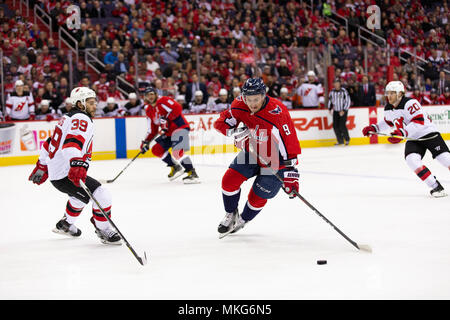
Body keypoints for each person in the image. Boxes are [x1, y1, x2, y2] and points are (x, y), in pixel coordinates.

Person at [28, 87, 122, 244]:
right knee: (101, 194)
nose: (95, 106)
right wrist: (77, 165)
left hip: (58, 174)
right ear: (80, 104)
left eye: (95, 102)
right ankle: (104, 230)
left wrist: (42, 165)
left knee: (79, 197)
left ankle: (66, 224)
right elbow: (71, 144)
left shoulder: (67, 117)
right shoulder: (81, 118)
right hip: (66, 174)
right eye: (91, 103)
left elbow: (49, 142)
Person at [213, 78, 301, 236]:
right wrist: (234, 131)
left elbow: (290, 141)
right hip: (253, 151)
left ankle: (243, 219)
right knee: (229, 181)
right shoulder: (239, 105)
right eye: (249, 99)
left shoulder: (278, 112)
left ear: (263, 95)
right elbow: (222, 122)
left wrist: (290, 173)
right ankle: (231, 214)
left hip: (276, 160)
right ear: (243, 97)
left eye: (256, 99)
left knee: (257, 195)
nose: (252, 104)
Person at [362, 81, 449, 198]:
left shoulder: (410, 103)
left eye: (392, 93)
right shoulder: (388, 108)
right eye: (388, 93)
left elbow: (419, 122)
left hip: (428, 133)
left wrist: (402, 132)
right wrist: (374, 128)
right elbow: (388, 122)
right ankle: (435, 186)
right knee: (411, 160)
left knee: (445, 159)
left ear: (400, 94)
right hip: (413, 137)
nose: (389, 96)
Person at [140, 87, 200, 183]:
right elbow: (152, 129)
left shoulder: (163, 100)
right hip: (168, 133)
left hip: (180, 127)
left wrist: (167, 118)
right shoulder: (149, 110)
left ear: (155, 94)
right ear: (145, 97)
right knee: (156, 149)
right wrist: (145, 142)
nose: (150, 97)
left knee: (177, 151)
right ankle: (175, 167)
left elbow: (177, 108)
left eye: (152, 94)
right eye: (148, 95)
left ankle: (192, 173)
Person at [328, 79, 351, 145]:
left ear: (340, 84)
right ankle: (340, 140)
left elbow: (348, 101)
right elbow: (330, 100)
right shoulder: (332, 92)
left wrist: (344, 110)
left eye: (337, 83)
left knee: (342, 125)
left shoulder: (344, 91)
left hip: (342, 110)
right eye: (335, 83)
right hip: (335, 111)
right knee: (335, 126)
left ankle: (347, 139)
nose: (336, 84)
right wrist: (329, 108)